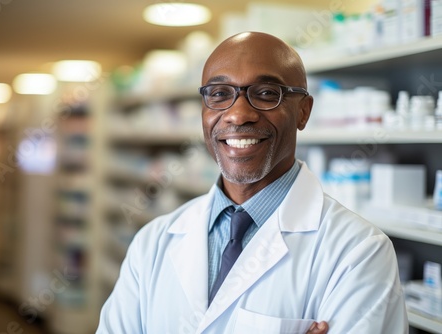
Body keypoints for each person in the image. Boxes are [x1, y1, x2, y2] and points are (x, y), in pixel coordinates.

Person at [96, 31, 408, 334]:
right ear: (203, 109)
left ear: (303, 111)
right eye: (219, 94)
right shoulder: (152, 243)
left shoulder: (359, 253)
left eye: (267, 94)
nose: (238, 114)